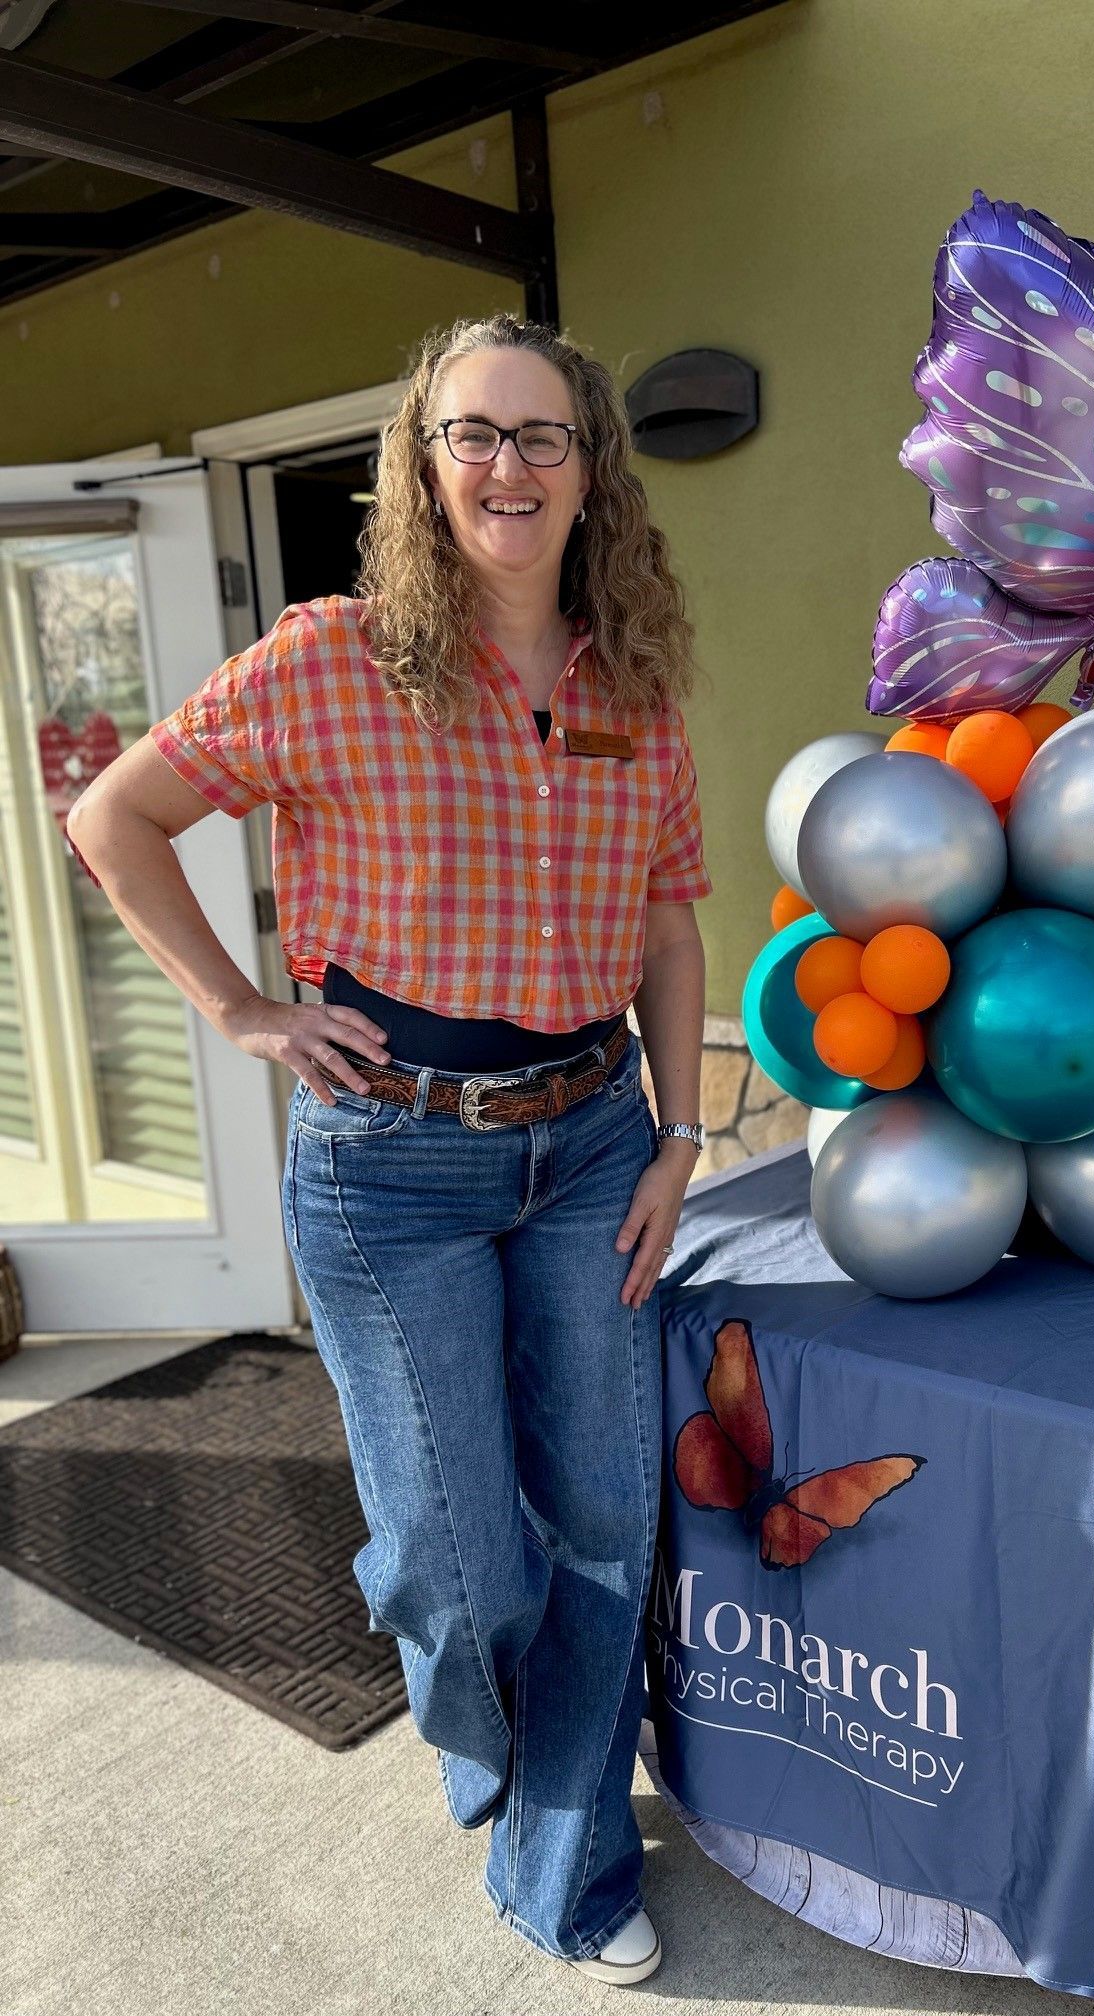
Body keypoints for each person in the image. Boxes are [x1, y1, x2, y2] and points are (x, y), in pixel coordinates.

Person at [65, 312, 714, 1986]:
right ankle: (494, 1739)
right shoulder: (329, 660)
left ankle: (565, 1856)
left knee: (603, 1522)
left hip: (592, 1147)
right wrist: (240, 1010)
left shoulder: (634, 680)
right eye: (471, 433)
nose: (508, 465)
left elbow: (665, 921)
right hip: (390, 1169)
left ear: (591, 470)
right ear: (422, 467)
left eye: (542, 434)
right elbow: (114, 817)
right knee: (453, 1553)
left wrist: (681, 1131)